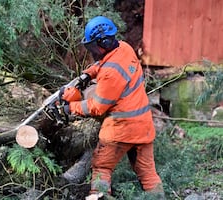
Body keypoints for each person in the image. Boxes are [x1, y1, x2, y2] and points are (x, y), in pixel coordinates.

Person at [60, 16, 165, 199]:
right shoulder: (124, 48)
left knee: (101, 167)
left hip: (121, 128)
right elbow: (105, 61)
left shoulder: (110, 73)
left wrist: (71, 108)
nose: (93, 51)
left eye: (93, 46)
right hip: (143, 125)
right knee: (148, 174)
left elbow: (97, 107)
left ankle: (100, 196)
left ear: (104, 42)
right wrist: (88, 74)